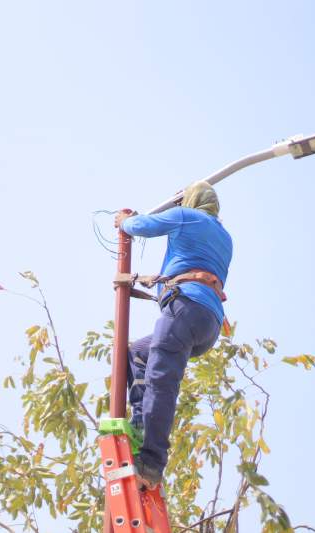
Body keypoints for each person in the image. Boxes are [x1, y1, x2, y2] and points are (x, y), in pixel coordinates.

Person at [113, 181, 233, 488]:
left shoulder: (186, 217)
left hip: (185, 307)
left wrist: (124, 221)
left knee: (161, 379)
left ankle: (151, 461)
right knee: (139, 353)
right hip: (208, 323)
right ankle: (141, 425)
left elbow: (143, 225)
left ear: (190, 201)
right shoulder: (224, 237)